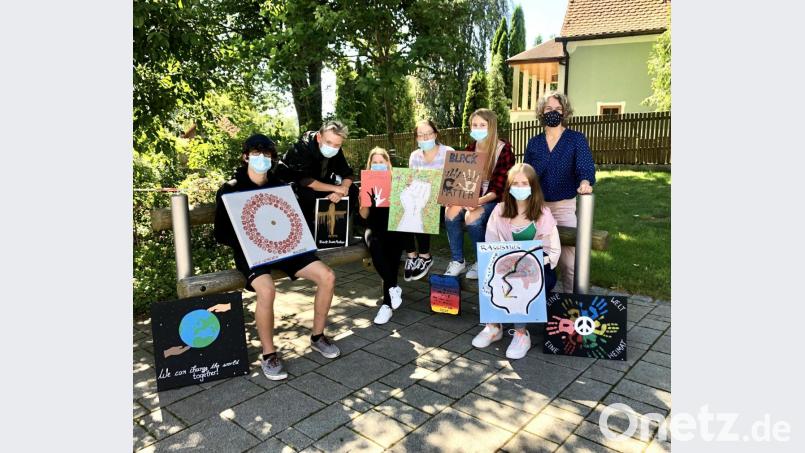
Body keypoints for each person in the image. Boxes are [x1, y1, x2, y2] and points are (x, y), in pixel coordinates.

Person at [214, 134, 341, 381]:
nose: (261, 158)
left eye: (266, 154)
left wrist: (333, 194)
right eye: (256, 154)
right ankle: (269, 354)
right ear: (245, 157)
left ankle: (318, 337)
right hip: (252, 252)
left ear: (272, 158)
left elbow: (296, 217)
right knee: (267, 289)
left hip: (285, 247)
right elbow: (221, 234)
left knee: (327, 276)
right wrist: (252, 240)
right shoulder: (230, 189)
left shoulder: (282, 185)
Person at [471, 163, 560, 359]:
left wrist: (531, 264)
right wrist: (500, 264)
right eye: (515, 183)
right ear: (509, 186)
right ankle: (493, 326)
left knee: (517, 281)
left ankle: (521, 334)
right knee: (489, 276)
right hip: (506, 264)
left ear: (533, 186)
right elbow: (491, 242)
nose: (520, 187)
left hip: (539, 268)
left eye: (524, 183)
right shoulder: (499, 210)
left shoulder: (543, 213)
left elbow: (553, 250)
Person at [523, 92, 595, 292]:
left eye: (557, 109)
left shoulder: (576, 139)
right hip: (537, 207)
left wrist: (585, 182)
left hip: (564, 207)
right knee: (536, 259)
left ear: (564, 112)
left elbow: (585, 167)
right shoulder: (534, 143)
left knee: (569, 263)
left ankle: (573, 303)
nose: (553, 112)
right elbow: (526, 173)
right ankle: (538, 300)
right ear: (541, 112)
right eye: (548, 109)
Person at [444, 108, 515, 279]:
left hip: (494, 199)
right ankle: (458, 261)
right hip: (471, 196)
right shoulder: (470, 149)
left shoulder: (503, 150)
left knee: (472, 217)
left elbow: (499, 189)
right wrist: (452, 197)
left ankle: (482, 261)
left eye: (482, 125)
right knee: (450, 211)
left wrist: (478, 201)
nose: (478, 128)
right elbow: (460, 180)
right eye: (474, 125)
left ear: (491, 126)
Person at [276, 121, 358, 236]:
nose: (332, 147)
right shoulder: (301, 148)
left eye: (337, 145)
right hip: (294, 189)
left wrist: (341, 191)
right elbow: (305, 180)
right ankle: (306, 233)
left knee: (352, 190)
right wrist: (336, 188)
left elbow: (348, 174)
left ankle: (332, 233)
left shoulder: (336, 150)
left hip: (321, 185)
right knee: (306, 194)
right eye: (328, 142)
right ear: (319, 137)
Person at [357, 147, 406, 324]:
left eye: (381, 162)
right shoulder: (366, 184)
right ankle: (393, 288)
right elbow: (364, 216)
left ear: (388, 163)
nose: (378, 165)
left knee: (391, 260)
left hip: (394, 229)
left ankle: (387, 305)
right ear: (370, 165)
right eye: (374, 162)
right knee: (376, 246)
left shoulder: (398, 182)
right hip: (373, 228)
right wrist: (363, 201)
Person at [403, 119, 454, 281]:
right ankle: (412, 256)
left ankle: (425, 257)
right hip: (422, 198)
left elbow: (455, 181)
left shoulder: (448, 152)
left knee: (421, 207)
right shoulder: (414, 156)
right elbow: (412, 181)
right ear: (416, 138)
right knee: (402, 207)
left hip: (443, 200)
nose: (425, 138)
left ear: (436, 134)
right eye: (420, 135)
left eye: (428, 134)